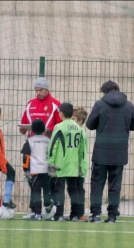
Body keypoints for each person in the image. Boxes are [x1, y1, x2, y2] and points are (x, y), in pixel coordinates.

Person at [86, 80, 134, 223]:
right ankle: (112, 215)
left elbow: (90, 124)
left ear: (104, 91)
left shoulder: (99, 104)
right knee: (115, 184)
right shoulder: (129, 105)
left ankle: (96, 214)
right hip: (119, 151)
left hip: (101, 152)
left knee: (97, 183)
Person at [20, 77, 62, 219]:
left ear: (46, 89)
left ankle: (51, 210)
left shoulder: (56, 105)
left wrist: (47, 131)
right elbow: (23, 124)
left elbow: (59, 127)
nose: (38, 93)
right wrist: (23, 129)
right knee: (34, 182)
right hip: (33, 148)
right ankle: (35, 210)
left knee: (50, 182)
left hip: (49, 149)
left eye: (40, 90)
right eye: (36, 90)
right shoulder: (30, 104)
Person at [48, 102, 85, 221]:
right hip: (73, 164)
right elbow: (81, 148)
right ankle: (74, 215)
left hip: (61, 164)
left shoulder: (59, 127)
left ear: (61, 114)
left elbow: (53, 145)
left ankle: (58, 215)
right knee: (73, 189)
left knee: (59, 189)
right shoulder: (78, 128)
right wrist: (79, 163)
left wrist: (51, 162)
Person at [21, 118, 54, 221]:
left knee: (36, 192)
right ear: (44, 129)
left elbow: (26, 157)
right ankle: (48, 206)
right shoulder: (49, 141)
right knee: (47, 190)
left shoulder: (29, 141)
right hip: (46, 170)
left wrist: (26, 170)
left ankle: (37, 214)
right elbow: (52, 154)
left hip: (35, 170)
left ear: (32, 130)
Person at [69, 107, 88, 221]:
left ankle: (75, 213)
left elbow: (80, 151)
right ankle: (79, 213)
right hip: (80, 165)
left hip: (77, 165)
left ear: (80, 121)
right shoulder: (81, 132)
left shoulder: (79, 133)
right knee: (78, 189)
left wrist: (78, 164)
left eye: (73, 119)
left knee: (74, 189)